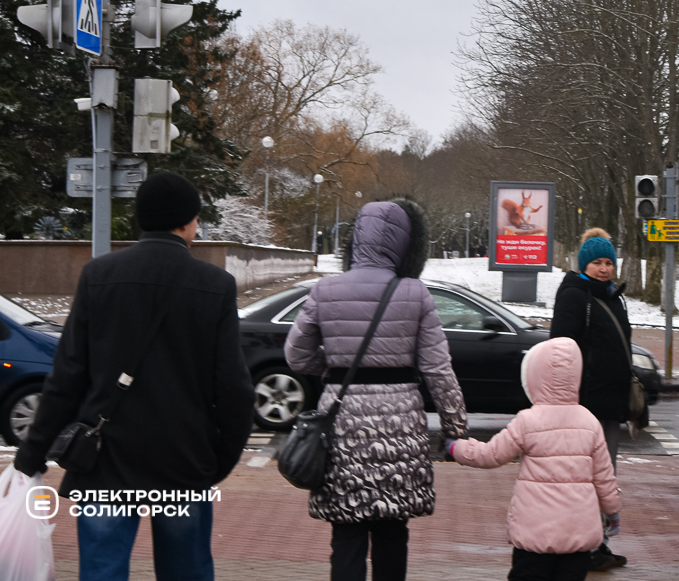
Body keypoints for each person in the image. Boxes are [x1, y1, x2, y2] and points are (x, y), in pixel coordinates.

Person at [14, 171, 256, 581]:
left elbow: (67, 375)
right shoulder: (215, 285)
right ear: (187, 222)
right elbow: (234, 388)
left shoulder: (98, 276)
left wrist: (32, 454)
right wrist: (220, 460)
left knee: (102, 570)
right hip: (184, 460)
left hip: (106, 458)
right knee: (186, 571)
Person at [285, 199, 468, 581]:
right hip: (400, 429)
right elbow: (438, 369)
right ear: (405, 244)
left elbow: (296, 355)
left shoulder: (325, 290)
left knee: (346, 531)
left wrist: (334, 366)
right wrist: (455, 428)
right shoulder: (415, 293)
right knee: (392, 531)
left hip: (342, 425)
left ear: (356, 239)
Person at [446, 337, 621, 581]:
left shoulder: (528, 421)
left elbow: (491, 454)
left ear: (535, 376)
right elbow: (604, 477)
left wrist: (456, 447)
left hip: (535, 534)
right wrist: (612, 512)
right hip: (576, 534)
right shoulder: (589, 422)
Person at [549, 227, 632, 571]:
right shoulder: (574, 297)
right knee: (583, 475)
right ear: (584, 265)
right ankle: (582, 545)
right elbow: (559, 349)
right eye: (597, 263)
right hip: (584, 403)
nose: (603, 269)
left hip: (610, 402)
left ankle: (599, 543)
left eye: (608, 263)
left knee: (604, 474)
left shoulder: (614, 297)